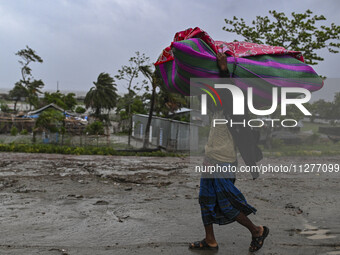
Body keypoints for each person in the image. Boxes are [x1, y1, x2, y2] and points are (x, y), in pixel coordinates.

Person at [189, 52, 269, 252]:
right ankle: (210, 240)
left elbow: (228, 92)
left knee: (227, 203)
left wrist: (224, 70)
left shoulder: (236, 108)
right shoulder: (217, 109)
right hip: (211, 158)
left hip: (223, 162)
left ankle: (257, 230)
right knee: (205, 200)